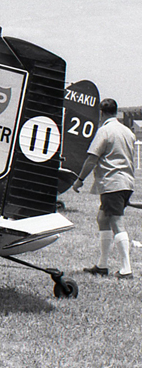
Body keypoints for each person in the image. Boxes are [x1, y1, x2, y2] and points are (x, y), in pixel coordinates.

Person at [73, 98, 137, 279]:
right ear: (116, 112)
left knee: (116, 223)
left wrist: (79, 180)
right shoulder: (128, 132)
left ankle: (126, 269)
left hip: (112, 184)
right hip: (126, 183)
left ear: (101, 113)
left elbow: (92, 158)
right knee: (102, 218)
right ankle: (102, 265)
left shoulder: (105, 131)